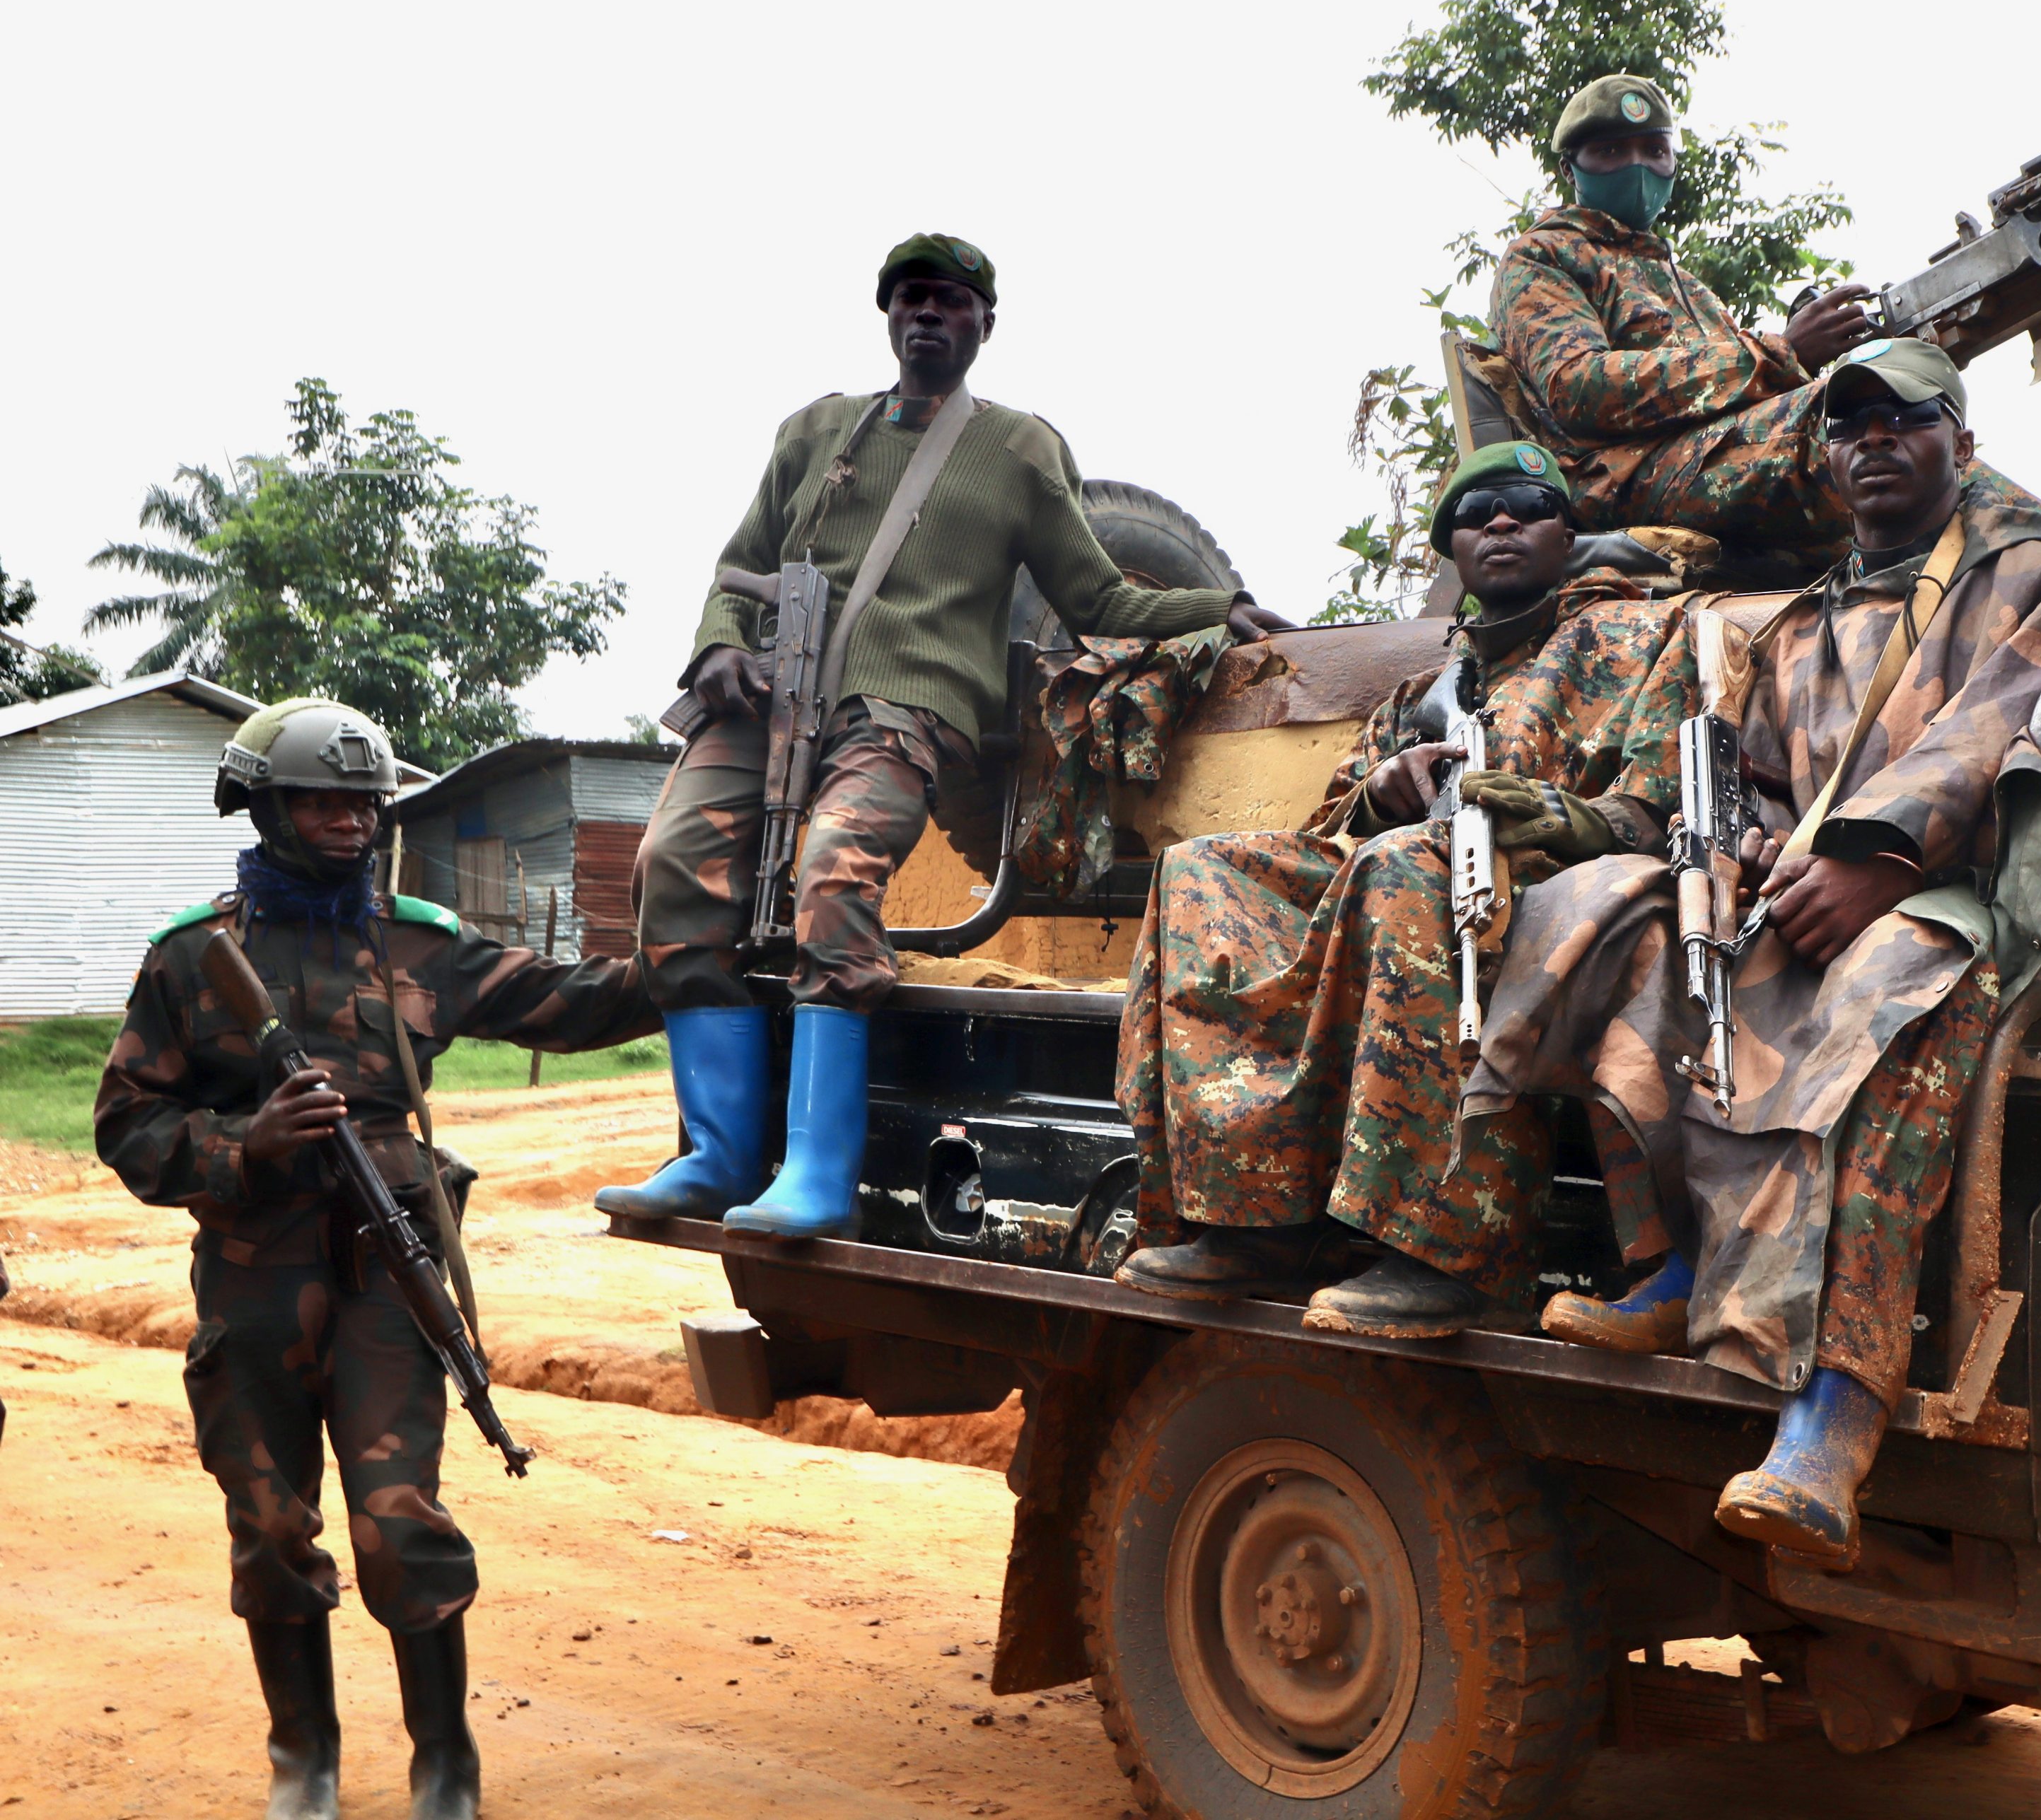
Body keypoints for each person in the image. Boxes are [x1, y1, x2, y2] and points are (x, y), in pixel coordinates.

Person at [1464, 339, 2041, 1567]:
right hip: (1798, 898)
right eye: (1848, 425)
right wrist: (1731, 863)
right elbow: (1749, 783)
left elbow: (1997, 726)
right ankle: (1672, 1268)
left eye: (1902, 422)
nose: (1871, 443)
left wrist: (1881, 857)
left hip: (1945, 902)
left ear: (1959, 444)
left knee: (1874, 1015)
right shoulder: (1802, 621)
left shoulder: (2025, 569)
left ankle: (1831, 1420)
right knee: (1636, 931)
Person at [600, 233, 1290, 1242]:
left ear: (983, 325)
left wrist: (1214, 607)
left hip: (907, 709)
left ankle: (819, 1173)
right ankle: (716, 1152)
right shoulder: (813, 432)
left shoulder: (1015, 448)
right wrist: (712, 649)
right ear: (887, 315)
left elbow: (1092, 588)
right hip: (770, 696)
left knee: (833, 876)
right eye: (911, 298)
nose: (928, 314)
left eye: (951, 302)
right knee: (670, 864)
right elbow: (738, 564)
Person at [97, 699, 658, 1820]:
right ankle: (303, 1759)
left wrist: (690, 961)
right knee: (268, 1525)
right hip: (255, 1275)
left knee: (400, 1522)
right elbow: (126, 1122)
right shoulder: (193, 957)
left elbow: (572, 1000)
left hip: (385, 1277)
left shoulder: (417, 939)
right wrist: (240, 1146)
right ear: (262, 804)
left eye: (363, 801)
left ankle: (444, 1762)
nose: (350, 820)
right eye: (320, 799)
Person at [1112, 442, 1696, 1337]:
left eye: (1526, 506)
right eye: (1477, 513)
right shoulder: (1428, 689)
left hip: (1563, 887)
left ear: (1568, 532)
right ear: (1455, 551)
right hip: (1406, 876)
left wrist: (1555, 818)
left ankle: (1445, 1249)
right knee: (1203, 871)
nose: (1501, 522)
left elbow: (1659, 807)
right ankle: (1255, 1219)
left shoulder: (1641, 638)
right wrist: (1380, 788)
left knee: (1404, 869)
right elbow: (1330, 828)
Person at [1491, 74, 2041, 583]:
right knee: (1833, 427)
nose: (1636, 166)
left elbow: (1741, 410)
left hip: (1701, 462)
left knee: (1903, 415)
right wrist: (1780, 352)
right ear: (1570, 168)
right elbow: (1577, 388)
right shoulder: (1543, 258)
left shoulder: (1688, 285)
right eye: (1611, 151)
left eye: (1653, 150)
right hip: (1621, 480)